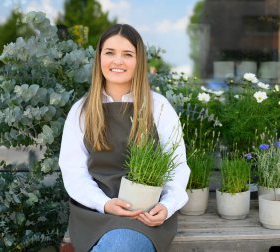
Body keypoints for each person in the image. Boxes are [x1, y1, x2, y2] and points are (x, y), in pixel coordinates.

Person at [58, 24, 190, 252]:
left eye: (127, 54)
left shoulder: (158, 107)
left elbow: (177, 167)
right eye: (110, 52)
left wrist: (167, 207)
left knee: (121, 245)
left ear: (139, 62)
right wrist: (105, 203)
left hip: (145, 214)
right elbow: (74, 172)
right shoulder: (81, 110)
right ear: (99, 58)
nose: (117, 61)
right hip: (95, 211)